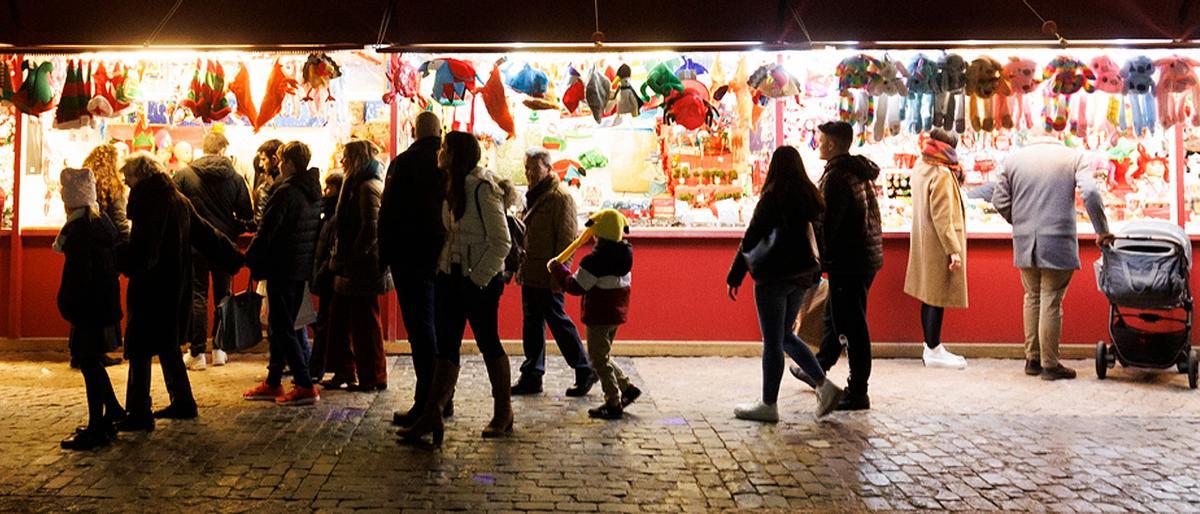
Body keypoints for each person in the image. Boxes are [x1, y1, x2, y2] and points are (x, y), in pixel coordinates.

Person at [115, 153, 242, 432]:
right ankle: (183, 401)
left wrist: (120, 259)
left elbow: (145, 250)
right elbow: (206, 234)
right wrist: (234, 258)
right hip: (175, 283)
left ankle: (138, 410)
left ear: (140, 176)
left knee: (140, 347)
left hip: (151, 285)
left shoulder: (147, 200)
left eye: (128, 177)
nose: (126, 182)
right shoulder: (176, 198)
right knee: (167, 343)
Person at [399, 131, 512, 444]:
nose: (440, 153)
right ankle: (432, 413)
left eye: (445, 148)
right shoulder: (452, 185)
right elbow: (453, 237)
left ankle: (503, 411)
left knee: (488, 342)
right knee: (445, 347)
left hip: (479, 281)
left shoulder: (483, 188)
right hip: (451, 277)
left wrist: (477, 280)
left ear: (456, 155)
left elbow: (501, 241)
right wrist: (443, 270)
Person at [726, 146, 844, 422]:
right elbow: (820, 240)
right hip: (801, 277)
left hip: (773, 276)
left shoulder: (772, 197)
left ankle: (769, 403)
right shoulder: (812, 197)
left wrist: (735, 275)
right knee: (785, 336)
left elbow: (751, 237)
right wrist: (817, 273)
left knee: (773, 340)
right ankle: (824, 386)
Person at [992, 126, 1111, 380]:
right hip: (1058, 239)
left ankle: (1032, 359)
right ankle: (1050, 364)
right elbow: (1090, 193)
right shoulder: (1073, 157)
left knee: (1032, 296)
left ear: (1031, 136)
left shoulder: (1012, 160)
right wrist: (1102, 230)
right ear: (1056, 135)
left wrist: (1020, 221)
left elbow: (998, 200)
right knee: (1051, 298)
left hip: (1025, 240)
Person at [790, 121, 882, 412]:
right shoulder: (857, 172)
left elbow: (829, 225)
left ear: (831, 144)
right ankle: (817, 369)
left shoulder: (837, 178)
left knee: (852, 327)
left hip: (849, 261)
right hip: (863, 258)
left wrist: (818, 261)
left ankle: (858, 391)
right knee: (835, 317)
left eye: (821, 141)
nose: (818, 145)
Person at [379, 112, 451, 427]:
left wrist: (383, 256)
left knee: (421, 332)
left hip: (410, 257)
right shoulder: (449, 163)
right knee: (441, 329)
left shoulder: (403, 163)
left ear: (414, 132)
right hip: (444, 257)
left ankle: (427, 402)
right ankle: (443, 398)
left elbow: (388, 212)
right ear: (440, 132)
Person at [242, 142, 323, 406]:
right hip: (299, 267)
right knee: (283, 324)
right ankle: (274, 380)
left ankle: (304, 383)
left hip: (281, 265)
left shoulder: (285, 192)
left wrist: (250, 258)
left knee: (283, 326)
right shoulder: (312, 191)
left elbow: (267, 230)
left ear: (287, 162)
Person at [510, 147, 594, 397]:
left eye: (534, 168)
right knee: (532, 325)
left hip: (548, 273)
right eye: (527, 168)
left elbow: (568, 240)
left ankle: (584, 369)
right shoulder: (531, 195)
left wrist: (560, 274)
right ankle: (532, 375)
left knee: (558, 323)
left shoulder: (560, 197)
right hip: (530, 271)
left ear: (548, 168)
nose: (529, 173)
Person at [548, 209, 641, 419]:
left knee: (598, 359)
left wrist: (558, 270)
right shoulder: (625, 255)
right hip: (616, 313)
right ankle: (627, 387)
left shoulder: (595, 261)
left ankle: (613, 401)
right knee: (603, 355)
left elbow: (576, 286)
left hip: (599, 314)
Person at [55, 168, 125, 450]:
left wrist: (67, 303)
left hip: (88, 308)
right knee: (92, 361)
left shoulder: (79, 231)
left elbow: (78, 275)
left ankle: (97, 425)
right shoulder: (99, 223)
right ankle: (112, 411)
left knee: (88, 363)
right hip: (102, 304)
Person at [174, 131, 255, 370]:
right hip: (223, 244)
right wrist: (231, 225)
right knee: (223, 296)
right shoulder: (235, 178)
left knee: (197, 296)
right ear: (222, 150)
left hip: (195, 244)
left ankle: (197, 352)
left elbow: (173, 206)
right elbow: (247, 215)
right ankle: (220, 349)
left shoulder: (185, 175)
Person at [324, 140, 392, 392]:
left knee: (365, 322)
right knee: (341, 320)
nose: (342, 162)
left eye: (346, 157)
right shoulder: (355, 183)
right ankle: (346, 370)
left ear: (356, 159)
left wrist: (352, 255)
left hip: (363, 266)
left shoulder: (366, 186)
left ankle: (373, 376)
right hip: (350, 264)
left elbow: (371, 229)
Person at [904, 129, 969, 369]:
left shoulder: (922, 165)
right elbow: (943, 217)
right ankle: (933, 350)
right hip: (939, 245)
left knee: (929, 296)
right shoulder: (941, 173)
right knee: (936, 298)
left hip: (926, 241)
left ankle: (932, 346)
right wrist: (953, 250)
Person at [81, 143, 128, 368]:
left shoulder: (83, 187)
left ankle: (81, 350)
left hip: (84, 251)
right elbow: (120, 221)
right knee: (103, 302)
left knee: (85, 300)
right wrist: (128, 244)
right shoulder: (114, 188)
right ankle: (99, 351)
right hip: (106, 252)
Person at [307, 171, 343, 383]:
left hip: (329, 275)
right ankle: (319, 365)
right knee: (324, 322)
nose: (325, 191)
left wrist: (321, 271)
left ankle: (318, 367)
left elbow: (330, 249)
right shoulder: (327, 214)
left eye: (330, 188)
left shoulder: (334, 217)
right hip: (325, 273)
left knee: (325, 323)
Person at [252, 139, 285, 226]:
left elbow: (260, 223)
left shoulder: (267, 188)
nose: (260, 164)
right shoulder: (294, 182)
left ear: (274, 160)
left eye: (263, 159)